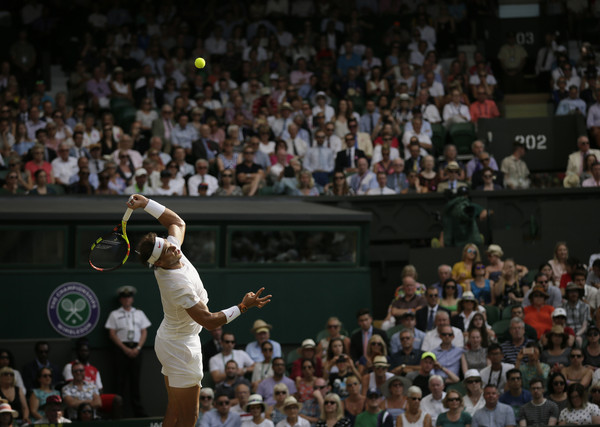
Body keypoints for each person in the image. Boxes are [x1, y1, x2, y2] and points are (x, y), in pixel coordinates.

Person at [127, 194, 271, 427]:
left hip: (170, 338)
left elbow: (177, 223)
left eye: (168, 243)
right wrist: (244, 306)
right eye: (166, 251)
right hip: (181, 347)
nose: (173, 248)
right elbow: (210, 321)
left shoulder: (170, 251)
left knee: (174, 409)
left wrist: (147, 204)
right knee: (189, 417)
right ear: (160, 263)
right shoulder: (177, 285)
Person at [104, 285, 150, 417]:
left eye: (129, 297)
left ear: (132, 299)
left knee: (135, 382)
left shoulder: (139, 313)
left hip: (136, 349)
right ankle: (118, 412)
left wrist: (138, 348)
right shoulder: (115, 314)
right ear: (120, 299)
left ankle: (138, 412)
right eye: (124, 297)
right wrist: (125, 349)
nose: (127, 300)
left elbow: (144, 332)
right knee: (120, 381)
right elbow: (112, 334)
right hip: (121, 349)